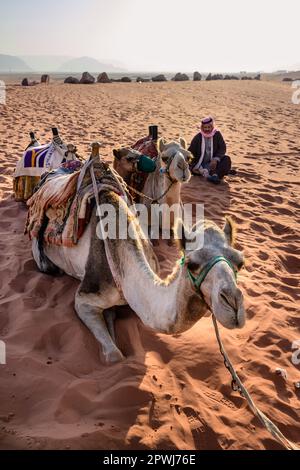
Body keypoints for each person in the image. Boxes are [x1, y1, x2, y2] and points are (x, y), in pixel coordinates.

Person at [189, 117, 232, 184]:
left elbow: (222, 148)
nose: (207, 129)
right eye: (205, 127)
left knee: (226, 159)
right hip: (200, 164)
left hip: (213, 163)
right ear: (202, 128)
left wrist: (216, 159)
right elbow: (191, 152)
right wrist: (192, 166)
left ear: (212, 127)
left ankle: (215, 176)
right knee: (196, 169)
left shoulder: (217, 135)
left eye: (209, 127)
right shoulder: (198, 137)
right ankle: (209, 174)